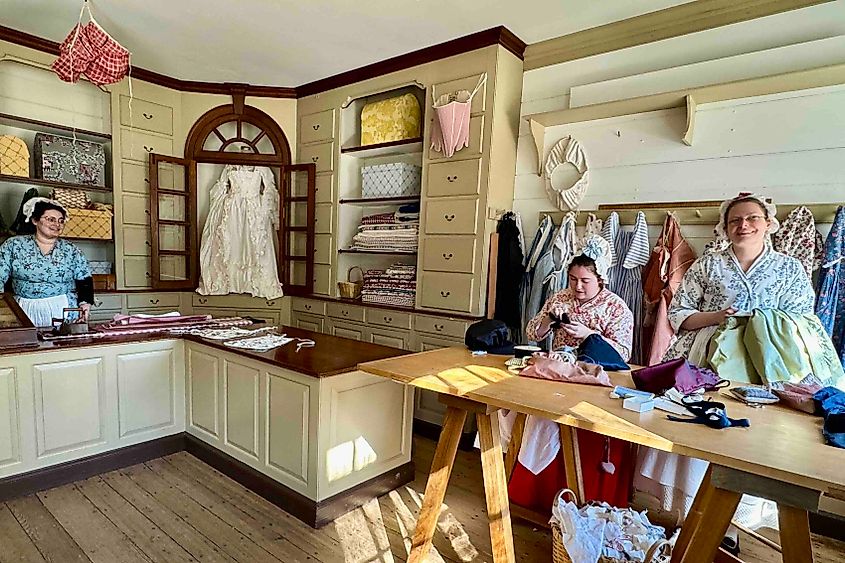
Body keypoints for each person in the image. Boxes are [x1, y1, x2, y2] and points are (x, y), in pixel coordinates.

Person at [636, 193, 818, 553]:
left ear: (768, 223)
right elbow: (679, 315)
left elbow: (805, 320)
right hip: (706, 360)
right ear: (725, 226)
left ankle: (733, 527)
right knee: (704, 436)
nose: (744, 225)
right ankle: (694, 522)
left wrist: (761, 324)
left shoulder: (789, 269)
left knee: (751, 440)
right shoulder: (707, 266)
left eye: (752, 218)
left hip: (765, 365)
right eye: (735, 220)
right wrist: (718, 318)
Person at [508, 235, 636, 513]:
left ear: (600, 279)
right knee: (543, 424)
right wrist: (548, 321)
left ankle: (583, 500)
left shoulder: (616, 307)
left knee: (582, 431)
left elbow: (624, 354)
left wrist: (591, 336)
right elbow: (532, 333)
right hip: (558, 374)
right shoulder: (560, 299)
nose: (577, 286)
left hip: (596, 381)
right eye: (573, 279)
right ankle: (538, 495)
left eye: (585, 281)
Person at [0, 198, 93, 327]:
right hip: (23, 311)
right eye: (51, 219)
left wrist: (85, 304)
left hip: (64, 310)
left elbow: (85, 280)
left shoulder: (71, 250)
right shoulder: (13, 245)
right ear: (35, 220)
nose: (57, 224)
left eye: (61, 221)